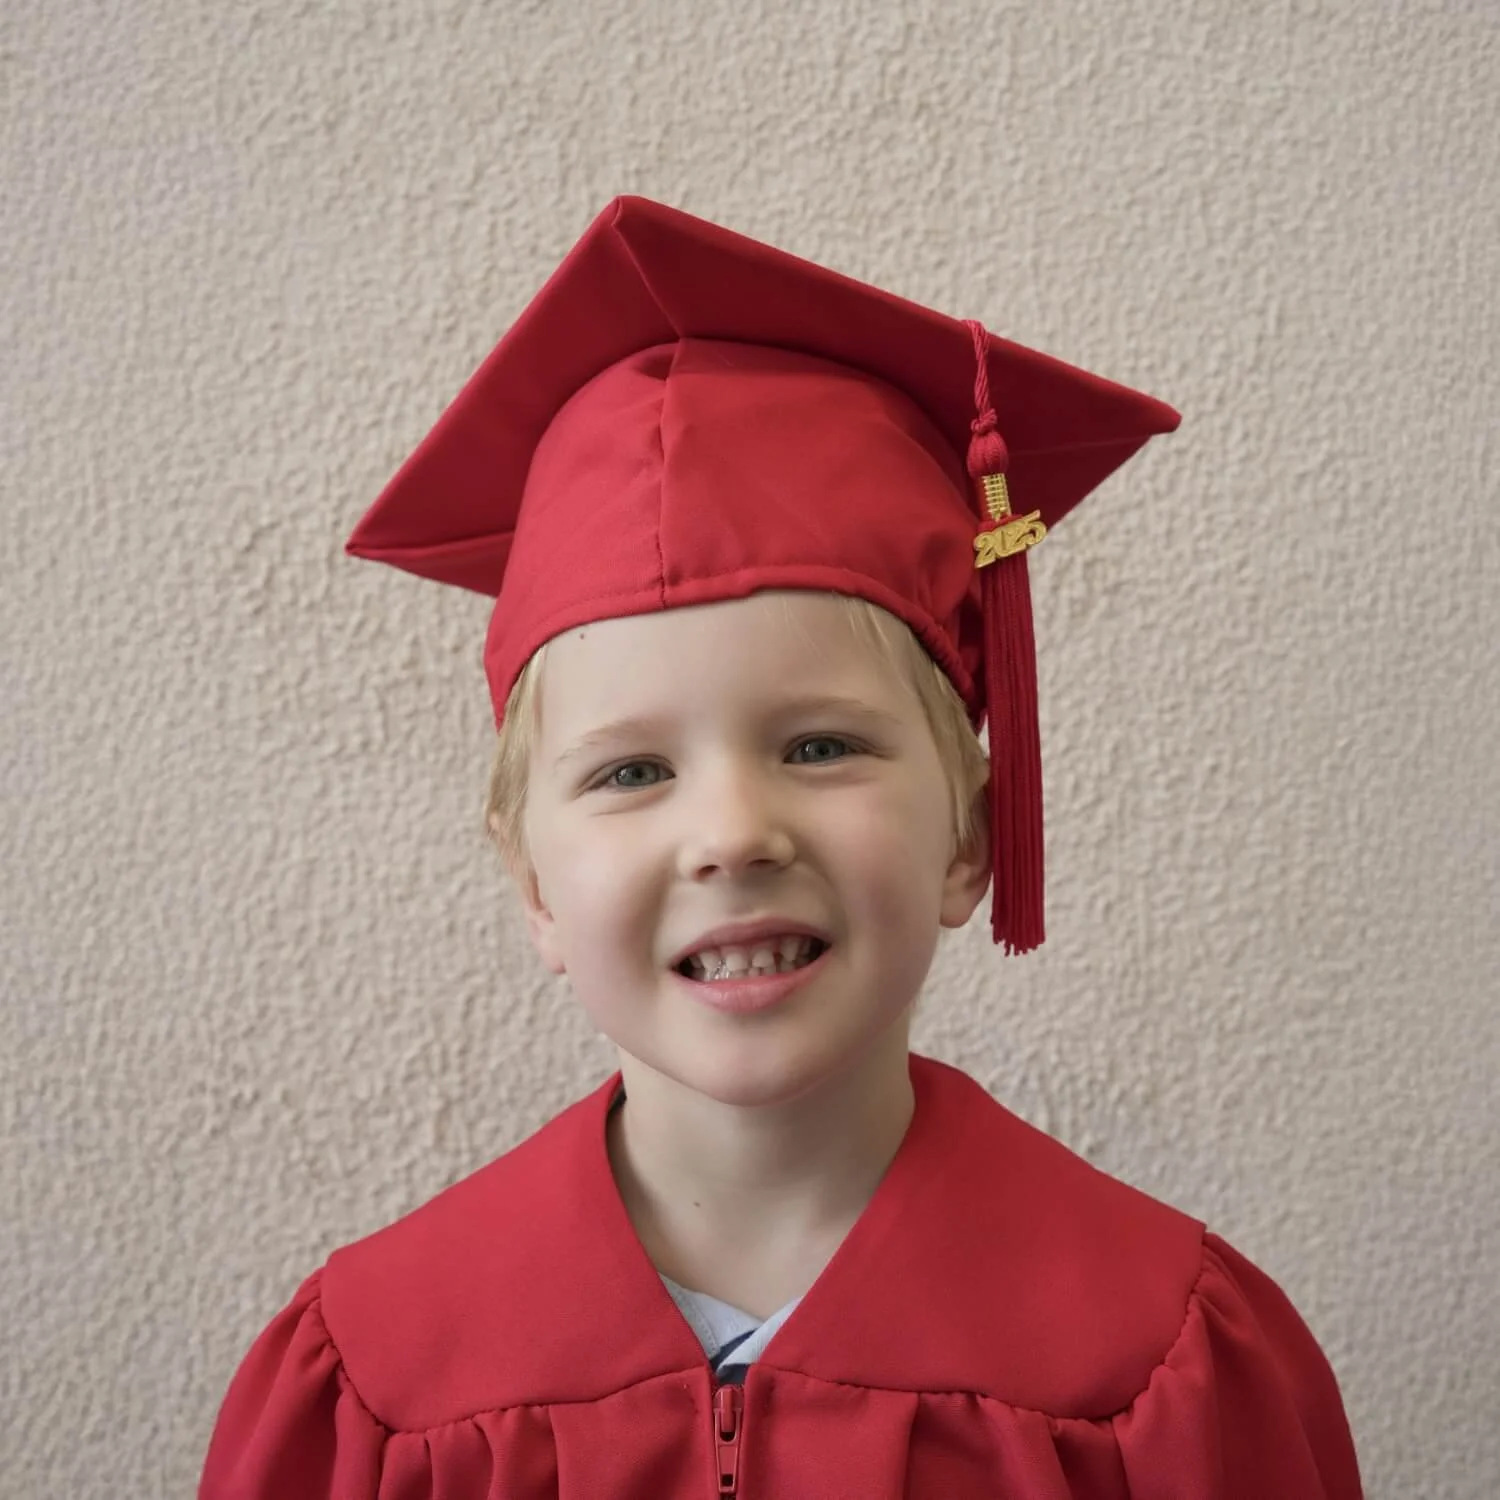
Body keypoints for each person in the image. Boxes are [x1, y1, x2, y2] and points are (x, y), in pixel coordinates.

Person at [199, 197, 1363, 1498]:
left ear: (970, 836)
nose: (734, 834)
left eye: (821, 747)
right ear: (531, 885)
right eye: (632, 771)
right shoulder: (371, 1382)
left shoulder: (1167, 1361)